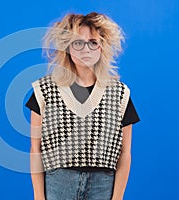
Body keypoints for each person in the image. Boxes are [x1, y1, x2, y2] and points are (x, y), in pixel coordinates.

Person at [26, 12, 140, 200]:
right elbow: (35, 149)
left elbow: (125, 153)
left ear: (102, 47)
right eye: (78, 43)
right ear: (67, 47)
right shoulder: (44, 90)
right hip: (59, 183)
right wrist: (39, 196)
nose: (86, 49)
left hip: (103, 185)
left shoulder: (119, 93)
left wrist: (118, 197)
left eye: (93, 42)